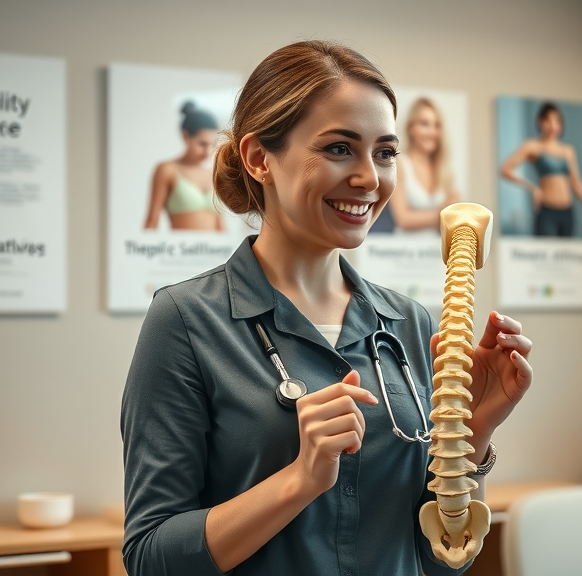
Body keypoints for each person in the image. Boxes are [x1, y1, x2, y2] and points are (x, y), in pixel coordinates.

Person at [121, 40, 533, 576]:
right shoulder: (184, 322)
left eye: (385, 153)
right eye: (340, 148)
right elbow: (151, 558)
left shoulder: (409, 325)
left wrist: (475, 434)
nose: (369, 178)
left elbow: (440, 563)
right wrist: (300, 479)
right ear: (258, 158)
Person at [500, 102, 582, 237]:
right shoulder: (533, 146)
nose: (552, 126)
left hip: (567, 212)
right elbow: (505, 169)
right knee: (545, 255)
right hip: (547, 212)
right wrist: (532, 188)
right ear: (540, 122)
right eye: (548, 120)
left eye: (556, 121)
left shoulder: (568, 151)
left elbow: (576, 183)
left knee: (565, 255)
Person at [144, 102, 225, 231]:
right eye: (202, 144)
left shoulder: (213, 174)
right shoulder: (167, 170)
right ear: (186, 136)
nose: (208, 151)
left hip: (214, 250)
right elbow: (152, 221)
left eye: (212, 144)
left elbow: (220, 224)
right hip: (182, 249)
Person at [389, 97, 462, 233]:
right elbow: (403, 219)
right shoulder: (400, 164)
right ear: (411, 128)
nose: (432, 132)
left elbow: (456, 216)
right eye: (425, 124)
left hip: (438, 250)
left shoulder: (445, 169)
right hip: (403, 252)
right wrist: (443, 214)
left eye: (436, 125)